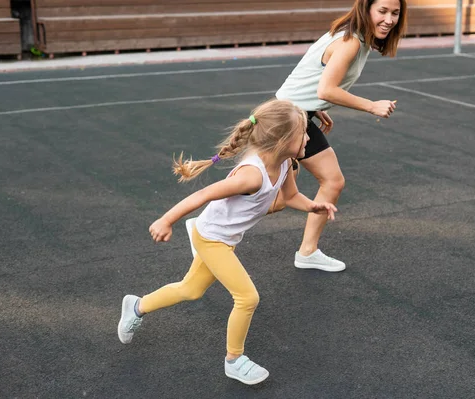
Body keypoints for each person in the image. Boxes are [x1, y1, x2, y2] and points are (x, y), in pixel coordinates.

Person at [117, 99, 338, 385]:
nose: (310, 136)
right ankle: (234, 360)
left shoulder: (285, 163)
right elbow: (203, 195)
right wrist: (165, 220)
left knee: (190, 289)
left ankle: (136, 306)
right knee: (247, 297)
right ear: (283, 139)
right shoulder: (251, 175)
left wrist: (313, 207)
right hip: (212, 239)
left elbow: (291, 197)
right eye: (303, 132)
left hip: (224, 238)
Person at [185, 0, 406, 272]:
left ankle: (209, 225)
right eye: (382, 11)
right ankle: (302, 250)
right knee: (329, 182)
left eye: (395, 13)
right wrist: (371, 105)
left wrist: (315, 109)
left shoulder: (353, 34)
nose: (389, 19)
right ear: (366, 8)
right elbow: (326, 88)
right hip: (289, 120)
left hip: (295, 112)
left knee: (279, 200)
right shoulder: (351, 42)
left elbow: (311, 78)